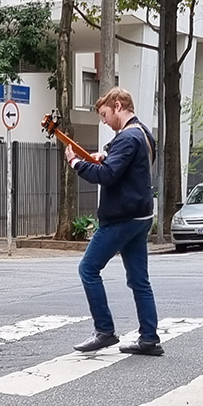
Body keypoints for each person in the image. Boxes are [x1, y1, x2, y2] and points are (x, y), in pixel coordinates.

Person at [65, 87, 161, 355]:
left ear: (118, 105)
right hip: (141, 216)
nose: (104, 121)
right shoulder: (142, 132)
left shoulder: (128, 137)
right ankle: (149, 339)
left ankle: (104, 331)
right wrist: (104, 154)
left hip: (122, 218)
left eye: (105, 114)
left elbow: (107, 175)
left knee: (88, 269)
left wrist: (76, 163)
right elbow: (120, 159)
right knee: (139, 280)